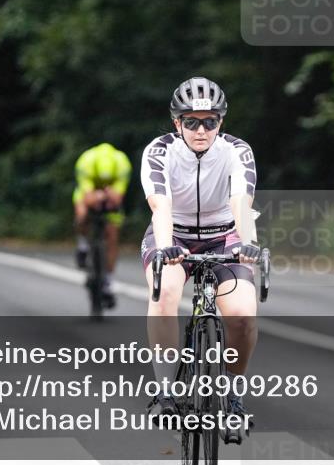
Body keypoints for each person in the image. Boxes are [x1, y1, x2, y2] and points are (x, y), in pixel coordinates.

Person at [140, 77, 260, 436]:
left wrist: (248, 241)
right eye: (191, 121)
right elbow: (160, 204)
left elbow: (241, 200)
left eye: (210, 121)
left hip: (224, 237)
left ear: (221, 122)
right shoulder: (159, 151)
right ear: (177, 123)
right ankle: (165, 393)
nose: (201, 129)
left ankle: (234, 399)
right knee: (164, 297)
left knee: (241, 316)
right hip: (173, 235)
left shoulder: (237, 151)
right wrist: (165, 247)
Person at [72, 142, 132, 310]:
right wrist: (100, 195)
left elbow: (117, 198)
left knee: (112, 234)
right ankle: (83, 244)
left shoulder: (121, 164)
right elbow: (87, 198)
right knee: (82, 215)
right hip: (88, 192)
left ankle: (108, 281)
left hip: (109, 197)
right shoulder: (86, 162)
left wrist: (103, 195)